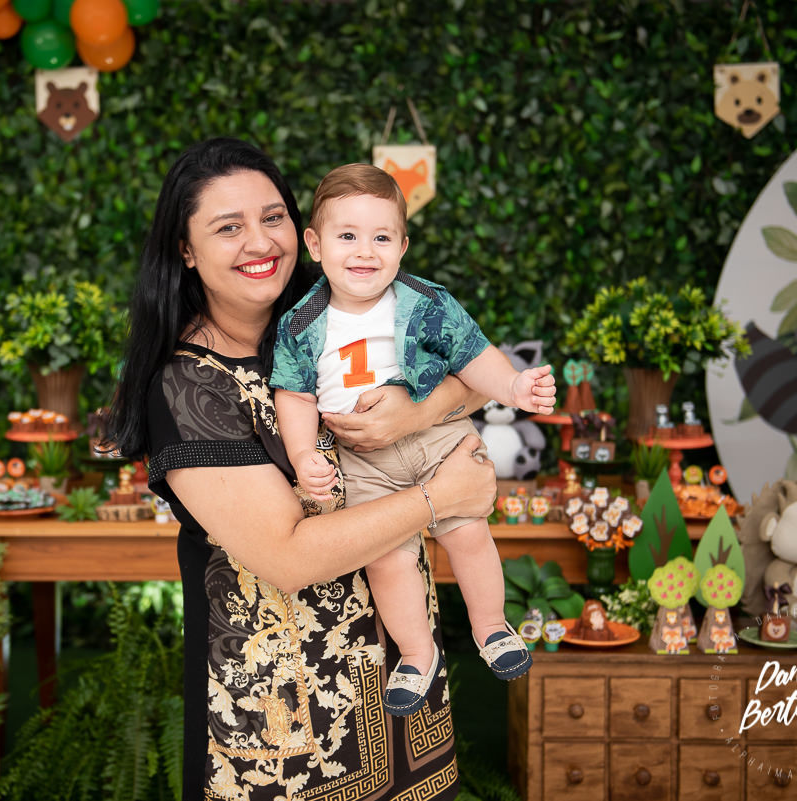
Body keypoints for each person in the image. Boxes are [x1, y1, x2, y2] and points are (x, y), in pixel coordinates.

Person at [108, 138, 498, 801]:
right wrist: (439, 496)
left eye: (273, 216)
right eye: (227, 227)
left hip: (398, 680)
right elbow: (288, 556)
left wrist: (410, 415)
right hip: (285, 727)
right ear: (185, 249)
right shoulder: (187, 387)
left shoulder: (334, 321)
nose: (260, 242)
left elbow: (476, 378)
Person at [270, 164, 556, 715]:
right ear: (314, 243)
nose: (365, 251)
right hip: (362, 460)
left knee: (468, 532)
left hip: (438, 439)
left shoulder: (427, 302)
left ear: (402, 246)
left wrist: (515, 385)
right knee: (387, 559)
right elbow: (296, 396)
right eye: (347, 236)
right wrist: (304, 455)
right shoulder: (301, 324)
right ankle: (416, 653)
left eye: (382, 237)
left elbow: (474, 357)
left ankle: (492, 627)